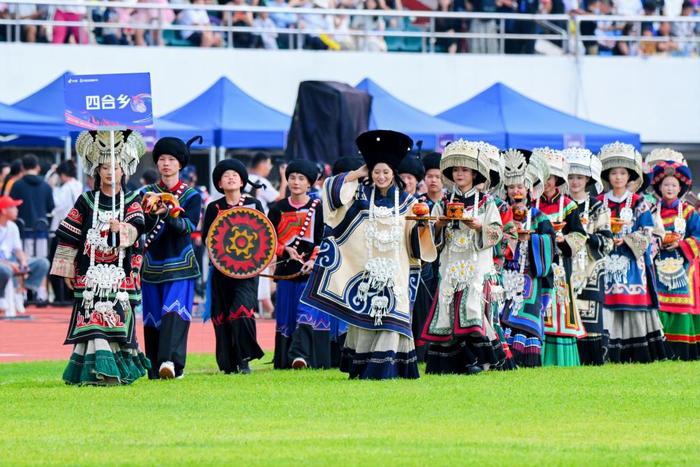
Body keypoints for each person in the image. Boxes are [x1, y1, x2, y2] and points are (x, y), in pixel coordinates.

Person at [300, 130, 436, 379]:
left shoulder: (409, 202)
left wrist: (422, 224)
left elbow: (417, 242)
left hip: (397, 270)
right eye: (376, 172)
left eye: (386, 172)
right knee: (365, 315)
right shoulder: (359, 197)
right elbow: (332, 199)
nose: (381, 176)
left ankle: (384, 367)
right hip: (365, 271)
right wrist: (356, 173)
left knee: (393, 317)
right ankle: (364, 366)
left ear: (393, 174)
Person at [50, 129, 149, 385]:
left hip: (120, 276)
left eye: (114, 167)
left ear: (124, 171)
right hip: (89, 274)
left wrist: (123, 229)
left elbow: (138, 226)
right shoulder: (85, 201)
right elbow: (69, 234)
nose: (109, 172)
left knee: (113, 323)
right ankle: (98, 372)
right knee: (93, 323)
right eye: (104, 167)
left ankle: (112, 370)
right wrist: (66, 268)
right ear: (96, 170)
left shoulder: (131, 199)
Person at [421, 140, 506, 374]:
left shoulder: (487, 203)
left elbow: (497, 232)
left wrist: (479, 226)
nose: (460, 174)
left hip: (476, 264)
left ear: (474, 174)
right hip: (450, 264)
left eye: (465, 169)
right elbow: (433, 237)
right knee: (448, 311)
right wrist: (438, 225)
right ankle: (457, 363)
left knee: (472, 309)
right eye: (456, 170)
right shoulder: (443, 203)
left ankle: (480, 360)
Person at [597, 142, 670, 363]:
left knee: (632, 300)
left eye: (622, 173)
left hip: (633, 262)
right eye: (613, 173)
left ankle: (637, 351)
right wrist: (607, 239)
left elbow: (649, 232)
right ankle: (607, 349)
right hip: (606, 259)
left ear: (630, 176)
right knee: (606, 300)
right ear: (607, 176)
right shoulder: (599, 202)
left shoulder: (640, 203)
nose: (618, 177)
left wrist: (627, 239)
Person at [141, 136, 203, 379]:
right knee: (151, 316)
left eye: (171, 159)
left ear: (180, 165)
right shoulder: (146, 193)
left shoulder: (191, 196)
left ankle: (171, 363)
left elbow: (187, 227)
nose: (166, 164)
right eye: (162, 159)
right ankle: (154, 367)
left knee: (174, 313)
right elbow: (141, 225)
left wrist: (167, 213)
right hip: (152, 263)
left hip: (180, 262)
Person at [202, 159, 265, 374]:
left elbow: (264, 236)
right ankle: (229, 363)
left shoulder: (254, 205)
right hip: (221, 271)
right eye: (226, 175)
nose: (230, 178)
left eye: (235, 175)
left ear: (242, 181)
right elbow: (207, 239)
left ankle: (244, 358)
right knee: (223, 315)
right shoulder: (214, 207)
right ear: (219, 183)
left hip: (248, 271)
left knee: (241, 310)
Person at [268, 160, 327, 369]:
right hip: (286, 272)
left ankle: (300, 356)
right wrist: (283, 249)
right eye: (292, 177)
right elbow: (268, 239)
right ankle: (287, 359)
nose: (296, 182)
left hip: (310, 270)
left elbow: (324, 238)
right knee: (286, 314)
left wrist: (313, 260)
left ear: (309, 184)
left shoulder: (319, 209)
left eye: (301, 178)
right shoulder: (277, 209)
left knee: (306, 313)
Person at [499, 149, 554, 367]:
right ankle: (504, 359)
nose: (516, 191)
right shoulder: (501, 212)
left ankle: (525, 359)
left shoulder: (540, 217)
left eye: (520, 186)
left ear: (529, 189)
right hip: (505, 274)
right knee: (502, 313)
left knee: (525, 317)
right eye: (511, 187)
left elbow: (550, 245)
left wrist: (531, 240)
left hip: (530, 276)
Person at [535, 148, 587, 366]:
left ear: (557, 179)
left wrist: (563, 240)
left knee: (557, 305)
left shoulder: (568, 205)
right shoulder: (531, 203)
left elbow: (579, 235)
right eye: (543, 177)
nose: (546, 182)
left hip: (558, 263)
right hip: (535, 261)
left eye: (550, 177)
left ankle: (559, 359)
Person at [564, 147, 613, 365]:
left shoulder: (597, 206)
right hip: (563, 264)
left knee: (589, 317)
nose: (575, 182)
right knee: (563, 311)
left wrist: (586, 237)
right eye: (571, 177)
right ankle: (566, 358)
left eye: (580, 177)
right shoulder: (561, 203)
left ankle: (592, 359)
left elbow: (607, 241)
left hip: (589, 267)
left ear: (588, 179)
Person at [650, 160, 700, 360]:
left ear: (680, 189)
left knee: (680, 306)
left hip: (683, 268)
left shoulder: (688, 212)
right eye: (666, 185)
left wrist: (680, 244)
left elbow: (698, 236)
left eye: (673, 185)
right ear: (659, 188)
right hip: (658, 264)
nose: (669, 188)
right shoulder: (652, 210)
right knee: (659, 304)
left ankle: (682, 351)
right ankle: (662, 350)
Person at [412, 152, 443, 362]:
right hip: (425, 261)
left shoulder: (451, 202)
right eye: (430, 176)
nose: (433, 180)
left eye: (438, 176)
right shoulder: (418, 204)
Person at [0, 196, 50, 315]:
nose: (17, 210)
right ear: (3, 210)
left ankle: (21, 291)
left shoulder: (13, 226)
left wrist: (23, 262)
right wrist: (9, 264)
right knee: (5, 270)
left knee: (43, 263)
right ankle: (3, 296)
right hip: (3, 263)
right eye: (13, 207)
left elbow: (18, 250)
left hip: (11, 260)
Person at [48, 160, 83, 305]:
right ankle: (70, 295)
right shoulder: (78, 184)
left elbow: (56, 206)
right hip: (78, 227)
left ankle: (60, 296)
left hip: (64, 227)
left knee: (57, 262)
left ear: (62, 174)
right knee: (74, 262)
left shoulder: (65, 188)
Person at [10, 154, 55, 259]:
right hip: (41, 229)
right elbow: (51, 207)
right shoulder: (46, 186)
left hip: (21, 230)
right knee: (41, 263)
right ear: (37, 167)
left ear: (22, 167)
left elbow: (12, 207)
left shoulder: (17, 185)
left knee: (24, 264)